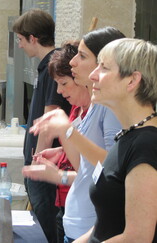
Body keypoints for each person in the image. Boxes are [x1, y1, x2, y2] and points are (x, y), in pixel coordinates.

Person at [28, 27, 125, 243]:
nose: (73, 63)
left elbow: (111, 167)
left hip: (91, 224)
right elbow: (91, 161)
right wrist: (62, 147)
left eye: (82, 56)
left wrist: (66, 132)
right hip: (78, 220)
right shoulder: (95, 104)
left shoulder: (109, 105)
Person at [75, 38, 157, 243]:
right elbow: (107, 221)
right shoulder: (128, 136)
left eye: (103, 68)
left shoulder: (146, 145)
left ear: (132, 80)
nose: (93, 75)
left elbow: (137, 238)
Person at [12, 8, 71, 242]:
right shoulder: (45, 66)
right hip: (43, 163)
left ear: (32, 38)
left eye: (20, 40)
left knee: (46, 230)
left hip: (45, 165)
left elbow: (49, 120)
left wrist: (36, 162)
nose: (19, 46)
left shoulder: (51, 67)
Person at [23, 42, 91, 243]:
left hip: (86, 213)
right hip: (68, 205)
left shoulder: (98, 112)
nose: (59, 92)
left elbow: (94, 169)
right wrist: (60, 151)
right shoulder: (75, 109)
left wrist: (59, 176)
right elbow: (82, 150)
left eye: (64, 83)